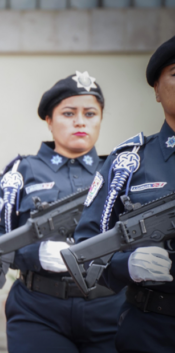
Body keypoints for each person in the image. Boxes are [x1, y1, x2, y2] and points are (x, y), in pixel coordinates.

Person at [0, 72, 125, 352]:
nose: (80, 121)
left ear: (100, 119)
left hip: (110, 309)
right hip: (39, 310)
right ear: (49, 120)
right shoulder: (20, 171)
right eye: (68, 113)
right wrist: (36, 255)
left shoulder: (120, 172)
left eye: (90, 113)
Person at [74, 36, 175, 352]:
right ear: (157, 90)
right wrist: (125, 266)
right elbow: (86, 247)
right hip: (152, 328)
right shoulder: (127, 163)